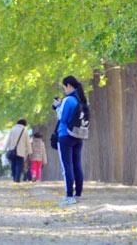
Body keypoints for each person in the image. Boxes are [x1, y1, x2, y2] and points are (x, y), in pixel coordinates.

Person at [53, 75, 89, 206]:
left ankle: (69, 195)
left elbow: (62, 118)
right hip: (78, 135)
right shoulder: (81, 100)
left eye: (64, 87)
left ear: (68, 85)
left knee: (67, 166)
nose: (64, 90)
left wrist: (57, 106)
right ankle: (78, 194)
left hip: (65, 135)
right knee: (77, 164)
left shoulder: (68, 100)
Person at [4, 119, 31, 183]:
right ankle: (17, 178)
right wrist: (30, 151)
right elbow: (28, 142)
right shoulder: (25, 130)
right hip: (21, 151)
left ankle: (14, 177)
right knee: (19, 165)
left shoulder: (13, 129)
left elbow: (9, 139)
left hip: (12, 150)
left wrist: (5, 148)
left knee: (13, 164)